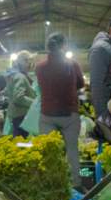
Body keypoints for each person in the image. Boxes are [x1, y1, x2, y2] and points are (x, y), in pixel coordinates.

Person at [36, 32, 85, 191]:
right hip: (69, 113)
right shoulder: (72, 64)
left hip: (47, 115)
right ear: (63, 45)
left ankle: (50, 186)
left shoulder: (40, 67)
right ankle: (75, 186)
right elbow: (80, 84)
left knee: (50, 152)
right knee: (72, 149)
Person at [3, 50, 37, 138]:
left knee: (18, 143)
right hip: (21, 116)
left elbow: (6, 91)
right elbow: (18, 98)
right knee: (21, 144)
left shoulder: (13, 75)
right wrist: (34, 102)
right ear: (24, 62)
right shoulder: (21, 77)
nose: (31, 64)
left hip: (16, 116)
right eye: (29, 61)